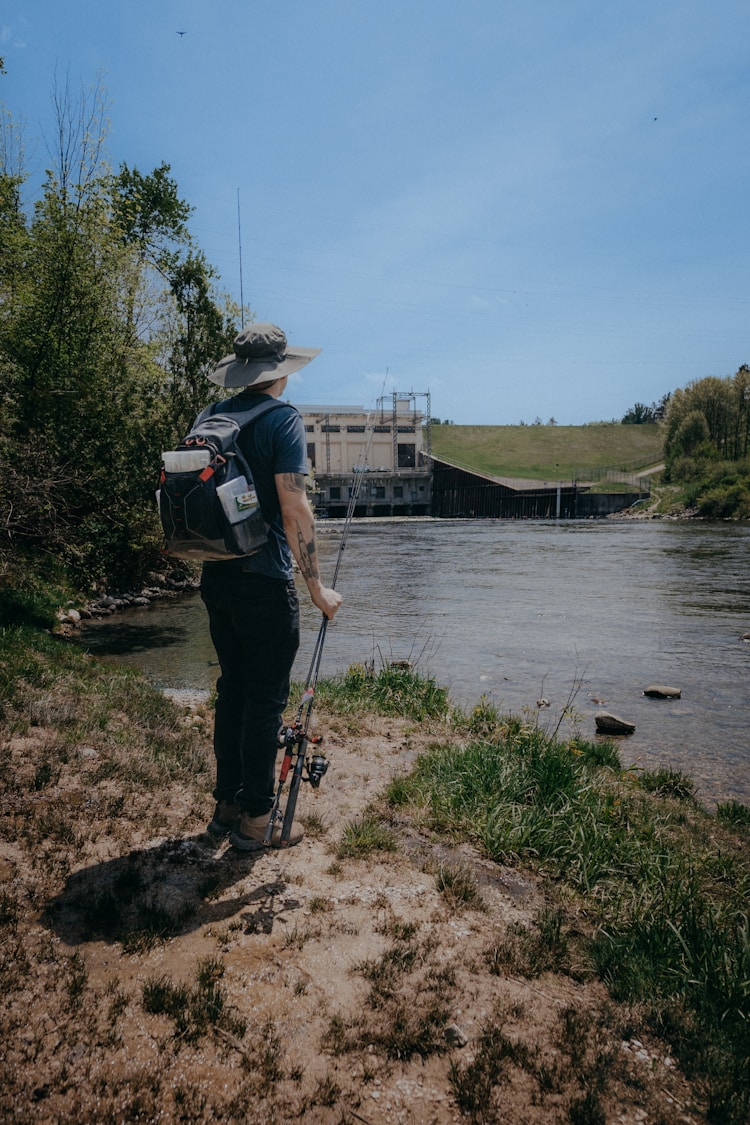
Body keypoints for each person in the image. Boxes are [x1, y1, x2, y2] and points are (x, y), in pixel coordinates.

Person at [200, 323, 342, 851]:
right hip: (264, 581)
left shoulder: (210, 416)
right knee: (263, 701)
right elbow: (294, 506)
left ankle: (227, 805)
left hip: (216, 576)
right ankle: (258, 821)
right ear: (280, 373)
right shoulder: (281, 419)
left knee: (232, 690)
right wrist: (318, 589)